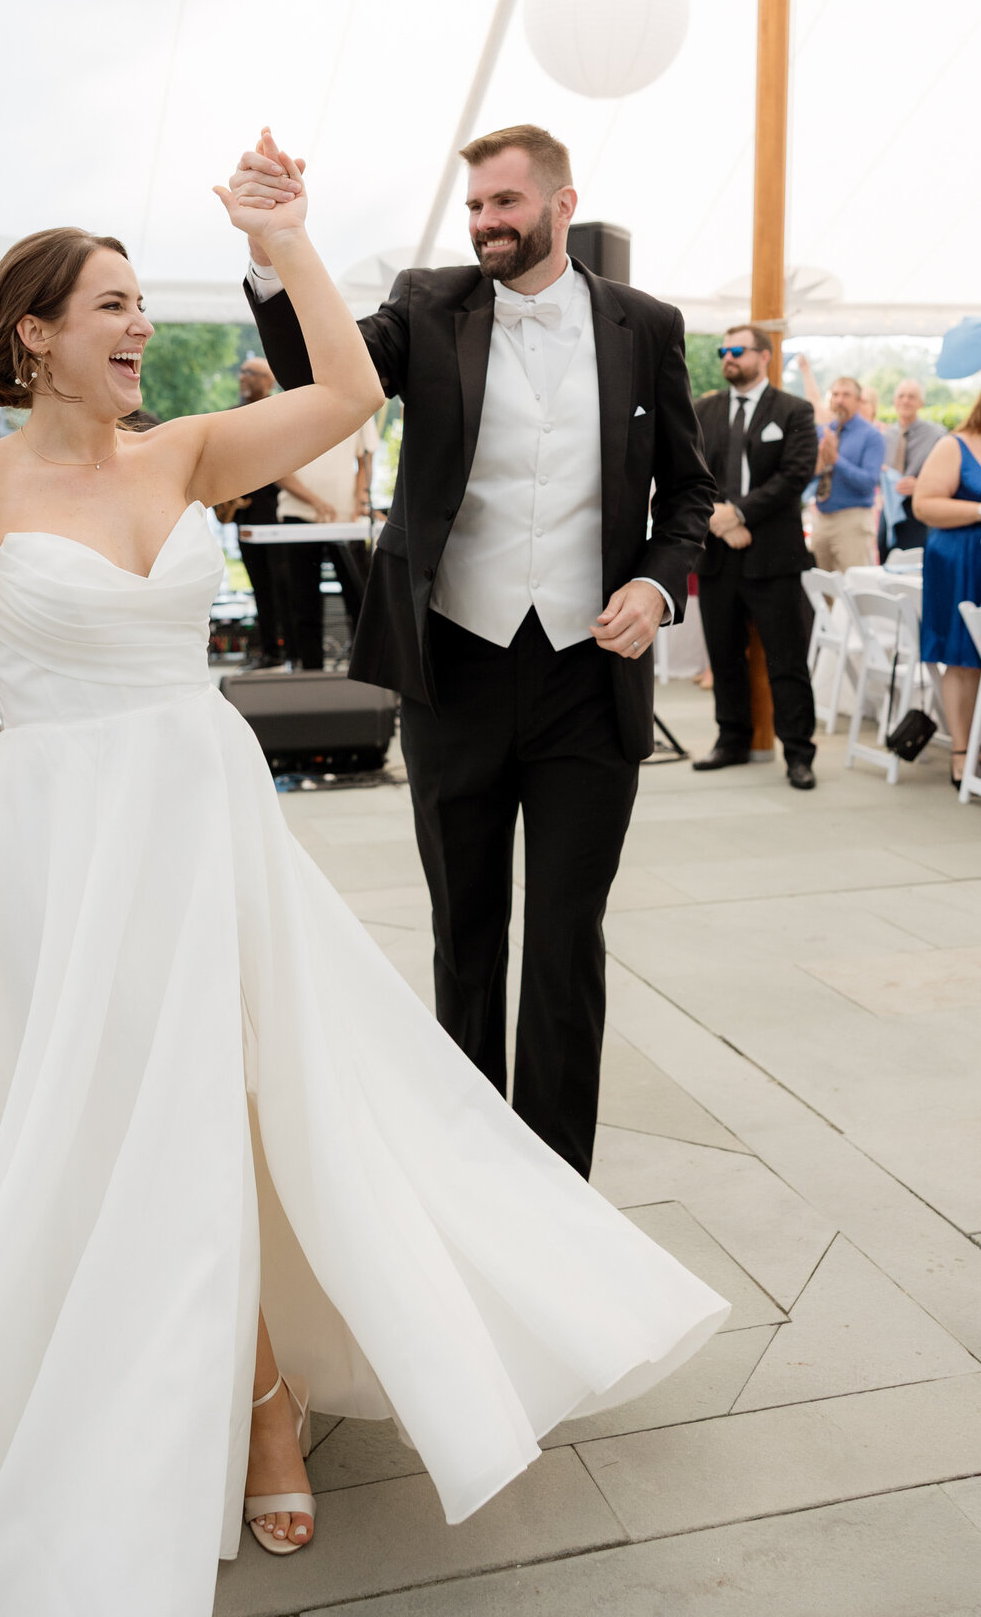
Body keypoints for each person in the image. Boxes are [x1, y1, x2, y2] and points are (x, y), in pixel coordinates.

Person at [0, 143, 727, 1615]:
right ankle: (227, 1388)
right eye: (112, 302)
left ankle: (263, 1397)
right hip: (59, 840)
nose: (142, 322)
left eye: (144, 297)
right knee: (119, 1103)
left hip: (203, 813)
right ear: (36, 333)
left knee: (228, 1084)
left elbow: (350, 399)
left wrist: (286, 244)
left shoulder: (185, 454)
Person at [244, 122, 716, 1182]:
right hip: (454, 669)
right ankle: (471, 1182)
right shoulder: (429, 303)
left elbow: (687, 492)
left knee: (564, 943)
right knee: (466, 937)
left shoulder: (646, 325)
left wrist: (654, 580)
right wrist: (275, 250)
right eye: (474, 208)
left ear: (560, 202)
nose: (486, 224)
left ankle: (556, 1188)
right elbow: (320, 371)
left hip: (588, 683)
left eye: (504, 203)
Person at [693, 325, 818, 788]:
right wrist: (718, 519)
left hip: (774, 557)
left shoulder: (793, 411)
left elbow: (794, 475)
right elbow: (689, 474)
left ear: (764, 356)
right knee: (724, 656)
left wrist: (739, 515)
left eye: (737, 350)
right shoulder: (702, 410)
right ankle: (732, 739)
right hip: (716, 556)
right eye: (724, 350)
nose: (728, 357)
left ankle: (799, 755)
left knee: (787, 659)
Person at [912, 396, 981, 789]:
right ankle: (961, 752)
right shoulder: (954, 445)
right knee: (963, 657)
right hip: (961, 561)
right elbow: (924, 505)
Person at [274, 411, 377, 669]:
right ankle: (311, 672)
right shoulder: (287, 407)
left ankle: (365, 669)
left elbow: (366, 460)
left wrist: (361, 501)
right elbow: (275, 467)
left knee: (360, 597)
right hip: (298, 515)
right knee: (303, 600)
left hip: (346, 520)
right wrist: (314, 501)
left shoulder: (359, 404)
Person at [217, 358, 288, 666]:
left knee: (281, 584)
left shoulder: (280, 414)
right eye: (242, 371)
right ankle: (270, 649)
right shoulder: (231, 416)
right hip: (244, 515)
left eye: (252, 373)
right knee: (259, 584)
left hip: (275, 514)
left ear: (269, 382)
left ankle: (287, 650)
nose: (243, 377)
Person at [810, 375, 885, 570]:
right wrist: (820, 461)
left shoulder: (871, 435)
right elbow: (809, 476)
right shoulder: (823, 431)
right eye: (835, 394)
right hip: (822, 518)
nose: (839, 400)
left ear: (858, 401)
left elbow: (869, 482)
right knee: (821, 590)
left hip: (853, 519)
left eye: (846, 395)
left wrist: (836, 460)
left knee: (853, 588)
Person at [880, 379, 945, 557]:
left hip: (919, 512)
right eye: (901, 396)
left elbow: (946, 477)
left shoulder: (937, 435)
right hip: (890, 513)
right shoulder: (886, 436)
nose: (905, 401)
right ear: (894, 401)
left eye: (911, 397)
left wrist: (921, 486)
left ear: (921, 403)